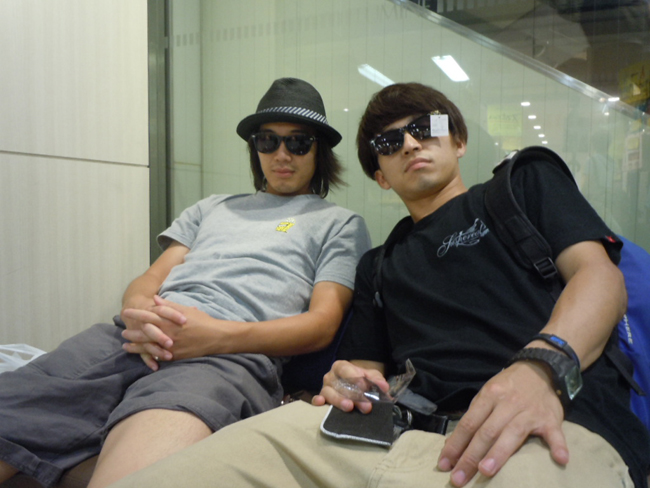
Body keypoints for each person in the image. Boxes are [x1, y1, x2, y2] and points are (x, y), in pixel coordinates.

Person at [108, 82, 650, 488]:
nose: (410, 143)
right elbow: (362, 371)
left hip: (546, 422)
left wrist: (541, 369)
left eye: (426, 128)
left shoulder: (520, 185)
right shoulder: (379, 264)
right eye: (390, 142)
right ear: (380, 175)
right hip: (398, 437)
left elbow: (600, 278)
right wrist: (347, 382)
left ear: (459, 140)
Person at [0, 77, 371, 488]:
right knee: (12, 411)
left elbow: (322, 325)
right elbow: (150, 278)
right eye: (268, 141)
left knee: (135, 478)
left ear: (319, 151)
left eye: (298, 142)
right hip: (135, 337)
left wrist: (213, 335)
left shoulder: (339, 223)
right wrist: (139, 313)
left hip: (229, 356)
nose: (281, 154)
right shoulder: (212, 207)